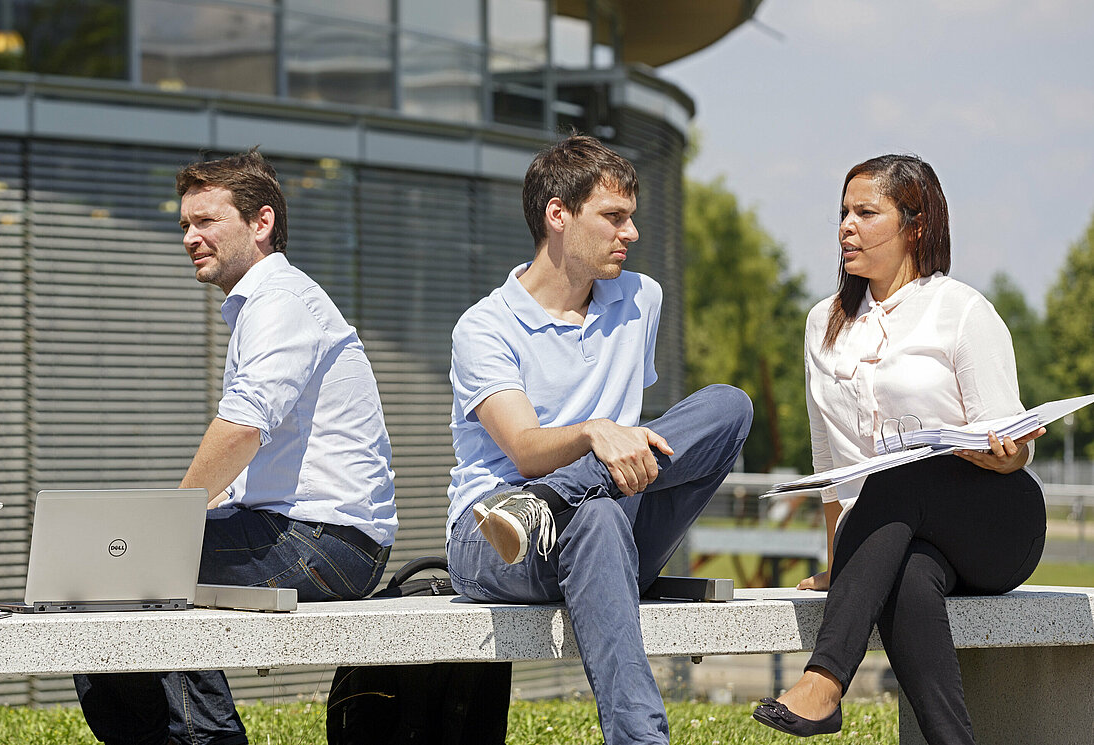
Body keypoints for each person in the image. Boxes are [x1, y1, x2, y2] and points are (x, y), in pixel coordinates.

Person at [73, 149, 397, 745]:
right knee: (109, 568)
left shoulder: (280, 303)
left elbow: (243, 427)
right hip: (306, 534)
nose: (191, 237)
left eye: (206, 222)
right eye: (185, 226)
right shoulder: (265, 304)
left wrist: (170, 521)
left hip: (324, 544)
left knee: (120, 567)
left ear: (261, 222)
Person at [446, 134, 752, 745]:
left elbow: (661, 441)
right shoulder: (484, 327)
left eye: (631, 217)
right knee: (598, 519)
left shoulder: (642, 299)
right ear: (557, 215)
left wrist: (604, 458)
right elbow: (526, 450)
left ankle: (551, 503)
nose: (631, 233)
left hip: (604, 517)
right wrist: (593, 432)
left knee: (729, 406)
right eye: (613, 217)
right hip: (496, 536)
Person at [752, 155, 1045, 743]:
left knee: (900, 469)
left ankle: (826, 679)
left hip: (995, 523)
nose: (846, 228)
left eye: (866, 212)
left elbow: (1013, 454)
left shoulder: (963, 312)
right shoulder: (823, 324)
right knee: (907, 579)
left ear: (915, 225)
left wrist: (1005, 451)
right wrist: (845, 565)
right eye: (842, 213)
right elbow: (832, 463)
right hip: (902, 539)